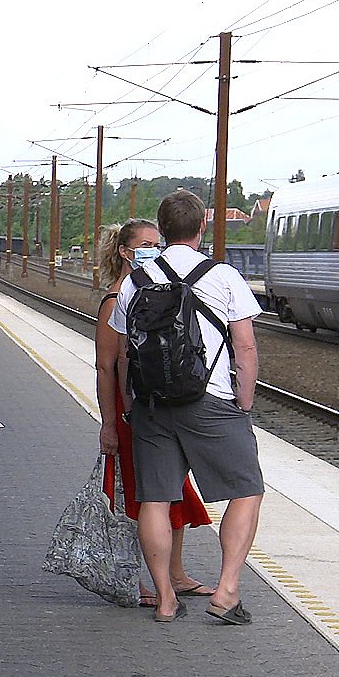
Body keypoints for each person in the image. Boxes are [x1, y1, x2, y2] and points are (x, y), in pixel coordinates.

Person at [109, 190, 264, 624]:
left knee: (155, 500)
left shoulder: (134, 282)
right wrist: (243, 402)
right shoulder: (223, 276)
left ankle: (164, 599)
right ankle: (227, 590)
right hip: (209, 400)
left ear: (162, 231)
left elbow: (124, 355)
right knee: (246, 489)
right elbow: (245, 347)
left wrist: (128, 406)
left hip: (151, 405)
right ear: (200, 229)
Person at [92, 219, 217, 609]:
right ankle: (138, 580)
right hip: (131, 414)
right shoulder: (116, 299)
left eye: (157, 243)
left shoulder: (155, 290)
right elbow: (105, 366)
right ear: (125, 252)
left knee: (173, 492)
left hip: (153, 407)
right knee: (138, 499)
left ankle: (174, 574)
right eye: (146, 244)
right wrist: (110, 424)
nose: (155, 250)